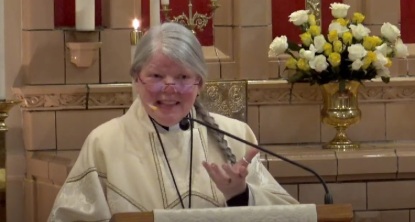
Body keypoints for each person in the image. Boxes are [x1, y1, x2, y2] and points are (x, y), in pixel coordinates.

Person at [49, 22, 297, 221]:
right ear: (137, 79)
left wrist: (240, 195)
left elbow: (288, 215)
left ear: (199, 83)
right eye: (156, 75)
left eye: (183, 77)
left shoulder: (235, 134)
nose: (169, 89)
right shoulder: (104, 143)